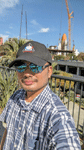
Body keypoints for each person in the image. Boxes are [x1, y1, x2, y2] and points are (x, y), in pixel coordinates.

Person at [0, 41, 81, 150]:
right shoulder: (16, 96)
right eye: (21, 66)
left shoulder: (57, 116)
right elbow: (7, 132)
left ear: (49, 71)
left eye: (35, 67)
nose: (27, 73)